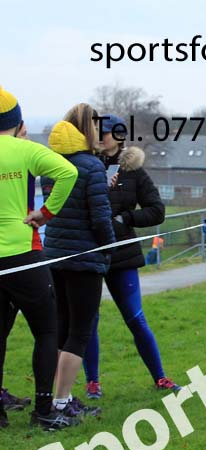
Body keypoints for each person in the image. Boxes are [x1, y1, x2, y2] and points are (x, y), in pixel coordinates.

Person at [81, 115, 180, 399]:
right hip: (89, 254)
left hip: (122, 255)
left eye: (105, 132)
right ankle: (92, 383)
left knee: (136, 319)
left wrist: (126, 218)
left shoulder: (134, 171)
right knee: (88, 321)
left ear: (119, 136)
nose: (100, 137)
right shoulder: (85, 165)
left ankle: (160, 378)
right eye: (96, 132)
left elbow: (157, 210)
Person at [0, 86, 81, 429]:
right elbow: (68, 173)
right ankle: (44, 410)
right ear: (19, 122)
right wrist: (45, 214)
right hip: (23, 253)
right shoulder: (26, 149)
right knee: (47, 331)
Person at [45, 103, 116, 420]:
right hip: (84, 258)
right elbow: (100, 217)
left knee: (62, 327)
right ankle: (61, 402)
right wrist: (109, 247)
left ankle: (59, 397)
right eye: (96, 126)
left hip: (54, 255)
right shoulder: (92, 167)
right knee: (80, 331)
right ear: (87, 128)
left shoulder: (52, 163)